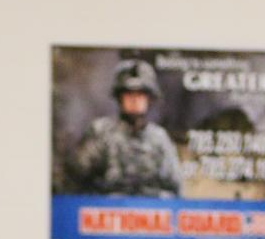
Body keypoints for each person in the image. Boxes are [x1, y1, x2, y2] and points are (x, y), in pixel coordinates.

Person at [66, 59, 183, 198]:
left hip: (148, 212)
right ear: (119, 98)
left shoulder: (159, 138)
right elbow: (74, 180)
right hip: (106, 211)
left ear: (149, 99)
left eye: (140, 94)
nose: (134, 100)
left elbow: (175, 189)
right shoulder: (101, 132)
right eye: (129, 94)